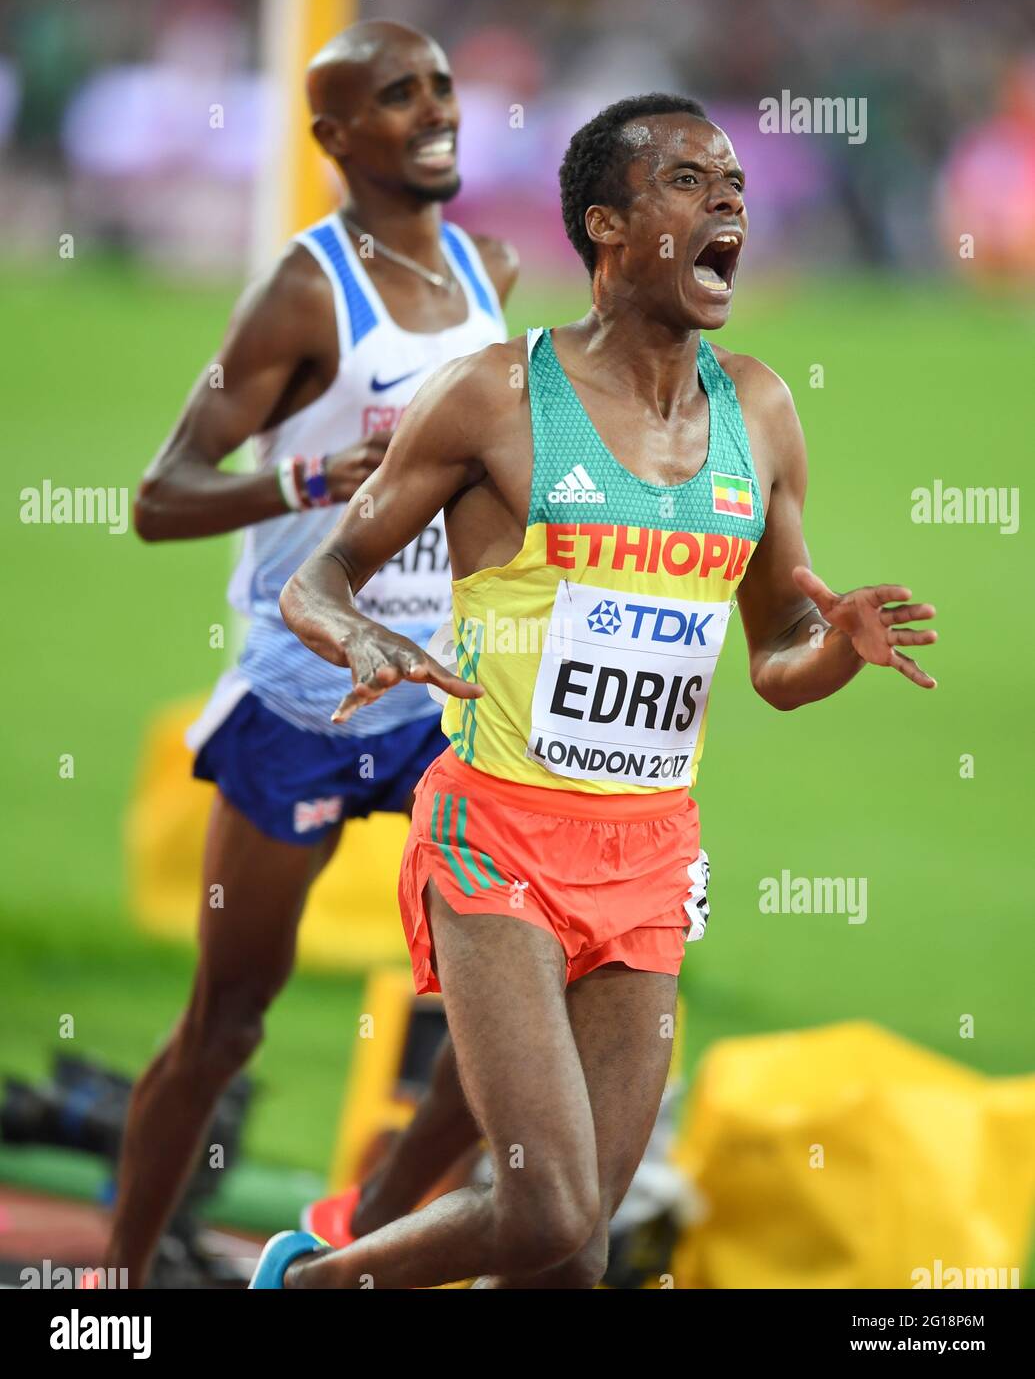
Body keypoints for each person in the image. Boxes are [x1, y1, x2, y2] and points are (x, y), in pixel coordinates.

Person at [253, 91, 938, 1290]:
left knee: (573, 1253)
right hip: (498, 837)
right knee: (544, 1204)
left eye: (732, 182)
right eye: (689, 180)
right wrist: (353, 634)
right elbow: (319, 578)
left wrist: (837, 647)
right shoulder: (492, 399)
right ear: (608, 227)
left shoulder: (761, 411)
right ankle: (303, 1284)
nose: (728, 198)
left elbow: (777, 648)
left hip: (653, 855)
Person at [103, 19, 517, 1288]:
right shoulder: (305, 290)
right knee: (227, 1022)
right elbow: (160, 495)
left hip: (445, 695)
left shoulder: (493, 271)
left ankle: (348, 1244)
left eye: (442, 84)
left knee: (518, 1008)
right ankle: (113, 1290)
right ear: (334, 137)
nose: (436, 107)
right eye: (400, 94)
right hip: (309, 694)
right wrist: (299, 476)